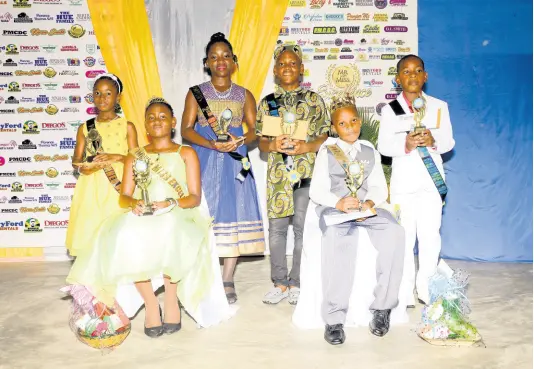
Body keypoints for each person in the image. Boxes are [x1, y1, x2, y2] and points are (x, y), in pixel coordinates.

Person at [67, 97, 234, 338]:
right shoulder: (136, 156)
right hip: (143, 212)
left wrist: (170, 203)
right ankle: (151, 304)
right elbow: (124, 197)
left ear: (173, 122)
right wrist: (134, 203)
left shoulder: (185, 152)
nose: (157, 121)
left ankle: (170, 300)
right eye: (152, 118)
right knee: (125, 234)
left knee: (171, 230)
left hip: (177, 212)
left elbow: (194, 197)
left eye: (163, 117)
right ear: (145, 125)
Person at [309, 95, 405, 345]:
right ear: (334, 127)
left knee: (395, 232)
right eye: (343, 123)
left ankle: (383, 308)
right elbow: (316, 190)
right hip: (337, 209)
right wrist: (338, 203)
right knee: (337, 243)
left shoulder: (369, 150)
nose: (350, 127)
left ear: (360, 122)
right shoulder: (327, 150)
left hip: (365, 208)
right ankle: (334, 319)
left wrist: (371, 202)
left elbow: (379, 188)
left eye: (353, 121)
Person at [181, 32, 265, 304]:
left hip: (234, 163)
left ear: (234, 62)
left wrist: (239, 140)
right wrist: (210, 143)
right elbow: (185, 130)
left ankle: (227, 278)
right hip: (203, 160)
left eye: (226, 56)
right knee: (201, 216)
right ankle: (200, 274)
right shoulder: (196, 94)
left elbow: (254, 132)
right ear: (206, 62)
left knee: (234, 216)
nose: (220, 61)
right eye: (214, 57)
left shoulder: (244, 95)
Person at [377, 54, 455, 305]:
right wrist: (406, 143)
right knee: (405, 237)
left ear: (425, 76)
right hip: (404, 184)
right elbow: (384, 147)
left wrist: (434, 141)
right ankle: (404, 291)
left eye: (417, 71)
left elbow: (449, 142)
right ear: (398, 79)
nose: (412, 76)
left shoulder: (439, 106)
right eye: (406, 72)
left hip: (431, 181)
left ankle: (427, 288)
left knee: (430, 236)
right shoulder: (391, 110)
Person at [256, 44, 329, 305]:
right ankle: (279, 283)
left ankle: (297, 282)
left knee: (301, 228)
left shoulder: (314, 100)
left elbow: (325, 134)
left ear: (301, 69)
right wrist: (272, 145)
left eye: (293, 63)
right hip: (278, 176)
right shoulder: (267, 104)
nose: (288, 67)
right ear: (276, 70)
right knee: (276, 230)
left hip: (306, 173)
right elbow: (262, 141)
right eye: (282, 64)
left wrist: (308, 146)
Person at [66, 73, 138, 256]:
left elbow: (137, 159)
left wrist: (118, 157)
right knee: (92, 227)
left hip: (119, 183)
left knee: (119, 231)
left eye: (108, 93)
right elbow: (76, 161)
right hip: (92, 186)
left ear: (118, 97)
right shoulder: (85, 127)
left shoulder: (127, 126)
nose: (102, 98)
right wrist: (87, 165)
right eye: (97, 93)